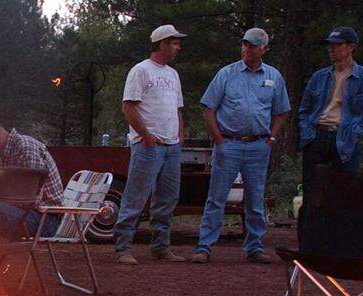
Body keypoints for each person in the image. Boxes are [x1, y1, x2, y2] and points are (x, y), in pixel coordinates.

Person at [192, 28, 291, 264]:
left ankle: (255, 247)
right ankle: (204, 247)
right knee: (216, 197)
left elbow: (282, 111)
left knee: (255, 198)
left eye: (254, 46)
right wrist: (219, 141)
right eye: (245, 44)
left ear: (264, 49)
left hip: (258, 145)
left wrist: (271, 140)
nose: (247, 49)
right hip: (229, 144)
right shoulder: (226, 74)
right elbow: (209, 110)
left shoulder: (274, 77)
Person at [113, 25, 188, 265]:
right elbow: (128, 106)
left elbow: (177, 109)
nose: (178, 47)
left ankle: (160, 248)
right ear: (162, 43)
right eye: (175, 43)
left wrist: (180, 135)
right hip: (148, 145)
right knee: (136, 195)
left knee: (167, 199)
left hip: (171, 145)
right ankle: (123, 247)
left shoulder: (172, 74)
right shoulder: (141, 70)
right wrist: (145, 134)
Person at [297, 26, 363, 195]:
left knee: (346, 191)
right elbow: (304, 110)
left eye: (337, 45)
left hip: (346, 139)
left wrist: (355, 131)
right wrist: (307, 131)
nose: (331, 48)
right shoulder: (319, 77)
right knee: (312, 192)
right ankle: (311, 222)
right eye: (330, 45)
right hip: (317, 137)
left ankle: (343, 222)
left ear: (351, 47)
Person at [0, 114, 65, 239]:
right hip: (27, 216)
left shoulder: (26, 149)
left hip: (45, 221)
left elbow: (27, 201)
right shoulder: (6, 154)